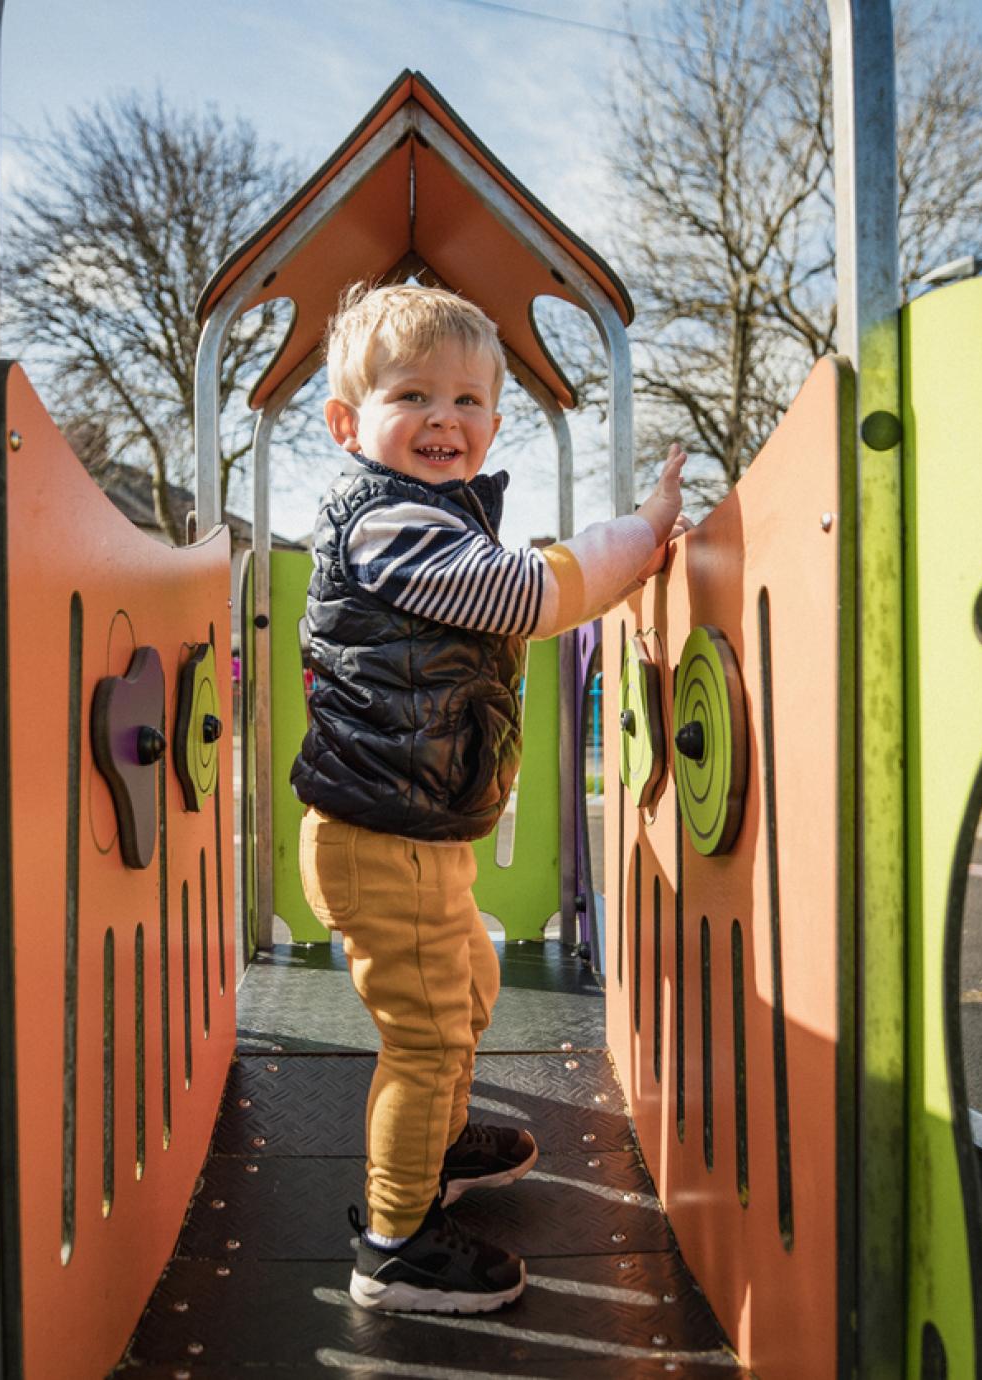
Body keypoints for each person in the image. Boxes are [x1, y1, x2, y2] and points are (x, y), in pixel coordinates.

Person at [293, 283, 687, 1313]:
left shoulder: (428, 519)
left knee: (468, 975)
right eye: (411, 394)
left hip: (415, 823)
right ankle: (394, 1241)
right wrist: (638, 537)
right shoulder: (385, 528)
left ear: (493, 423)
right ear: (348, 424)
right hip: (381, 834)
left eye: (468, 400)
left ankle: (443, 1140)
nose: (443, 419)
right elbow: (524, 593)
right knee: (425, 1032)